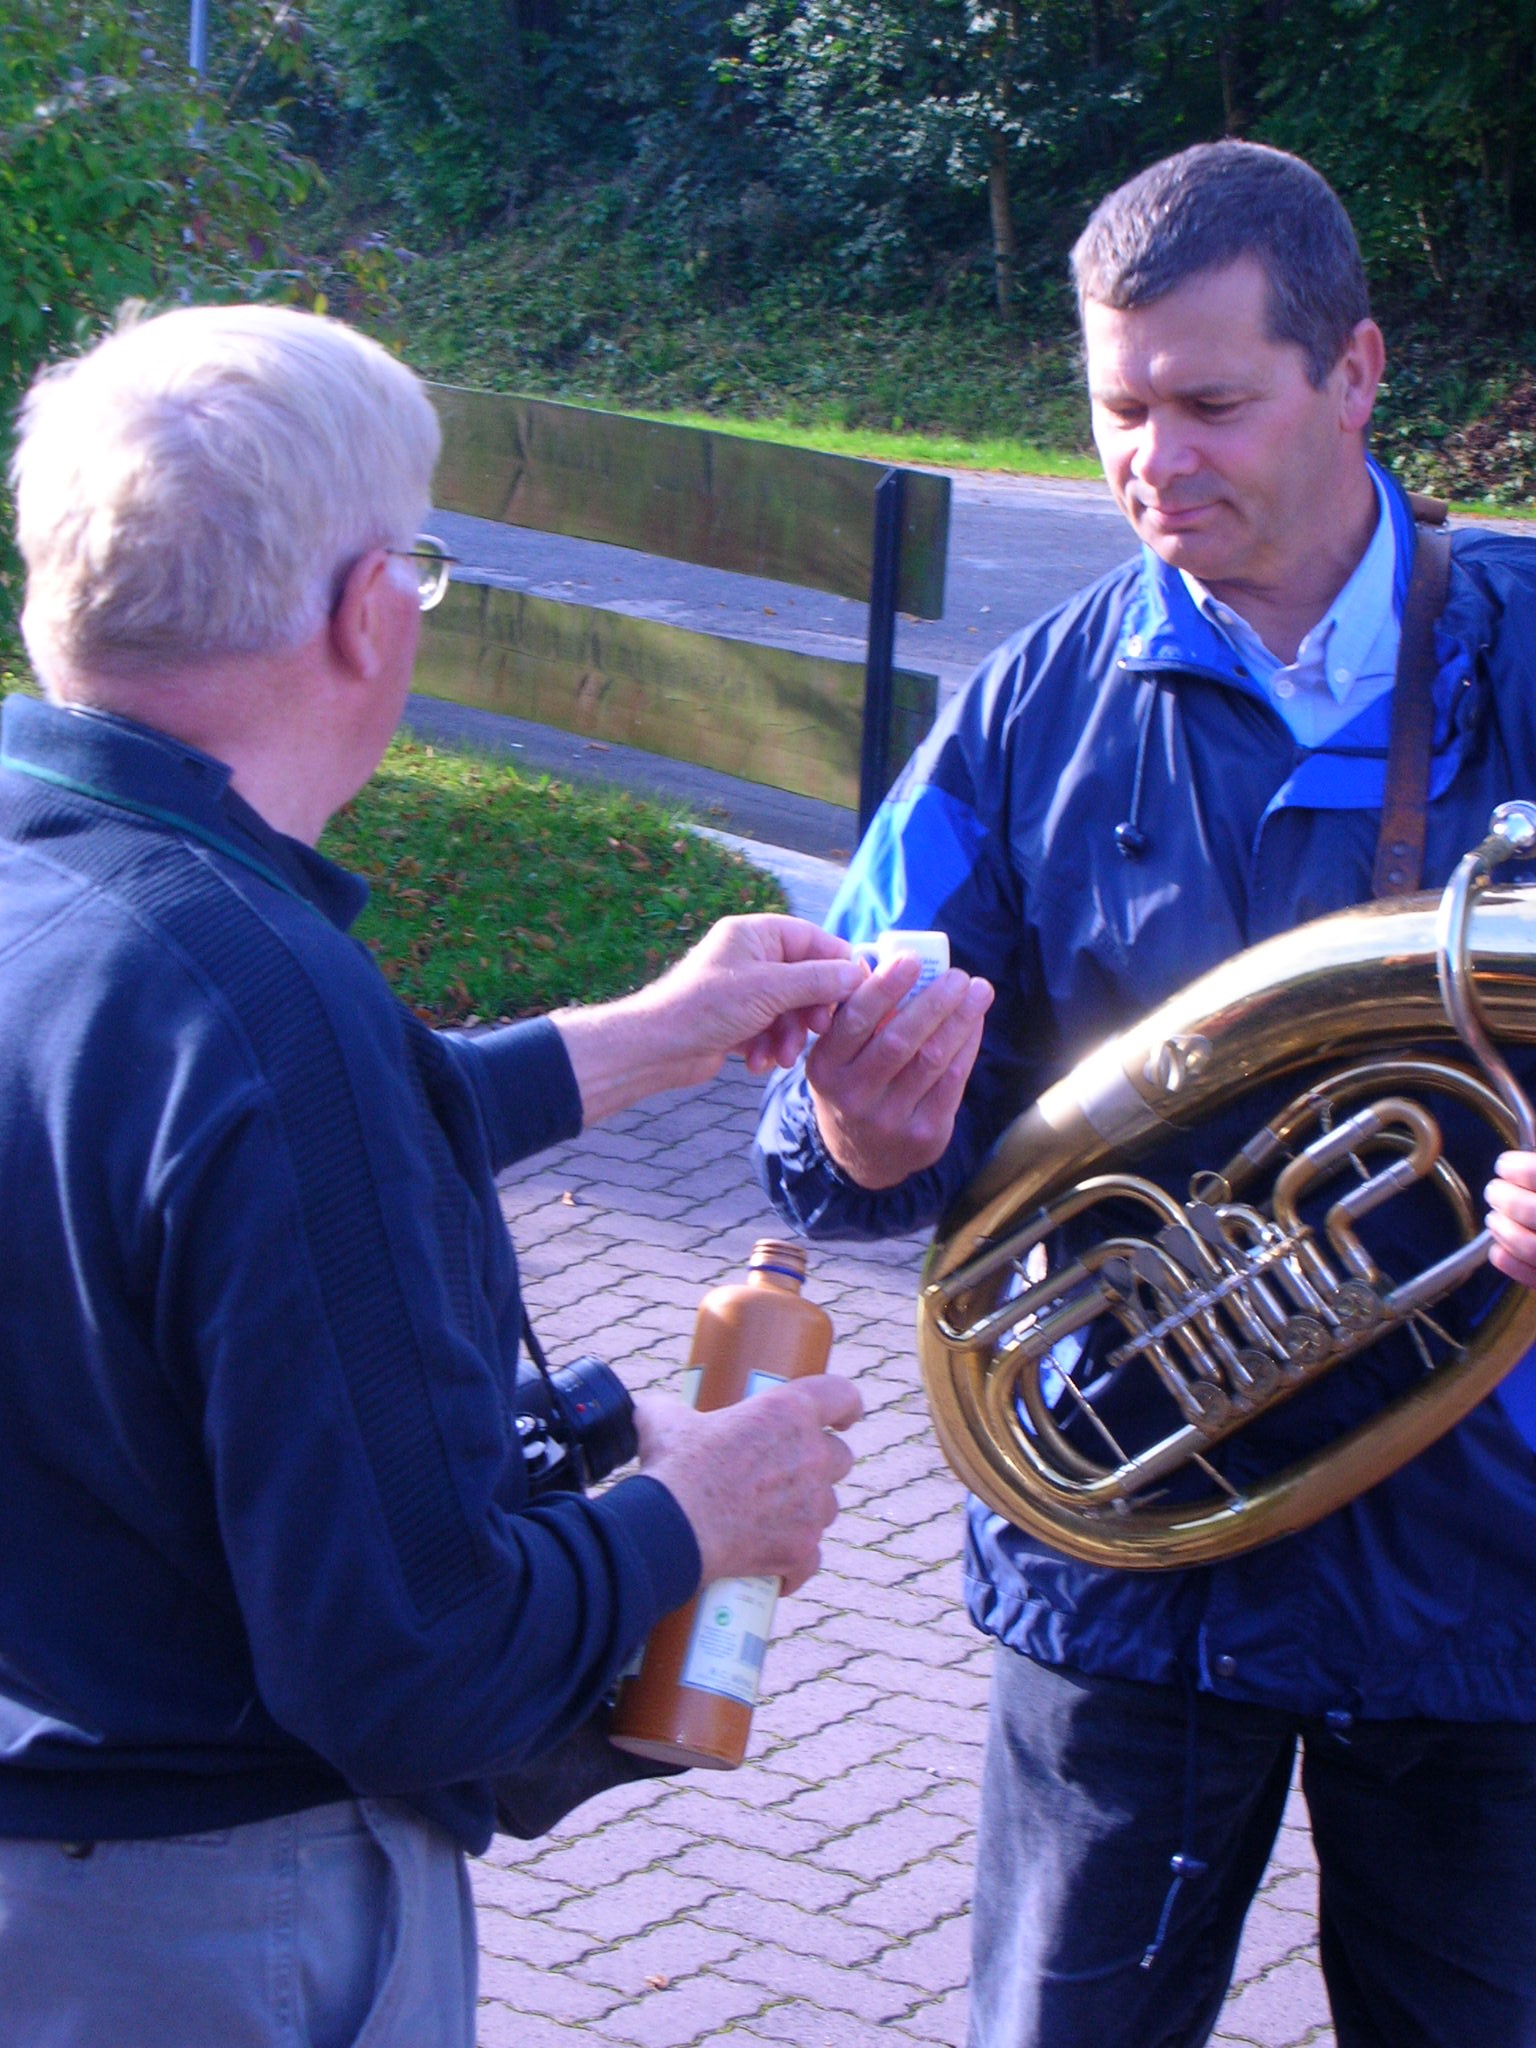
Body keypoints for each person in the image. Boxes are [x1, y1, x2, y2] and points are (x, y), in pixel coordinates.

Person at [0, 302, 868, 2046]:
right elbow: (413, 1663)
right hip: (211, 1930)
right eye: (424, 567)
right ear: (364, 608)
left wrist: (649, 1037)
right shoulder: (266, 1008)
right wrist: (696, 1515)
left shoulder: (63, 895)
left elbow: (211, 1162)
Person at [755, 140, 1536, 2048]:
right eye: (1117, 409)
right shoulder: (1032, 706)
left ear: (1354, 374)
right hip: (1130, 1570)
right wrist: (861, 1130)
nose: (1152, 462)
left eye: (1211, 404)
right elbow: (834, 1120)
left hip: (1493, 1578)